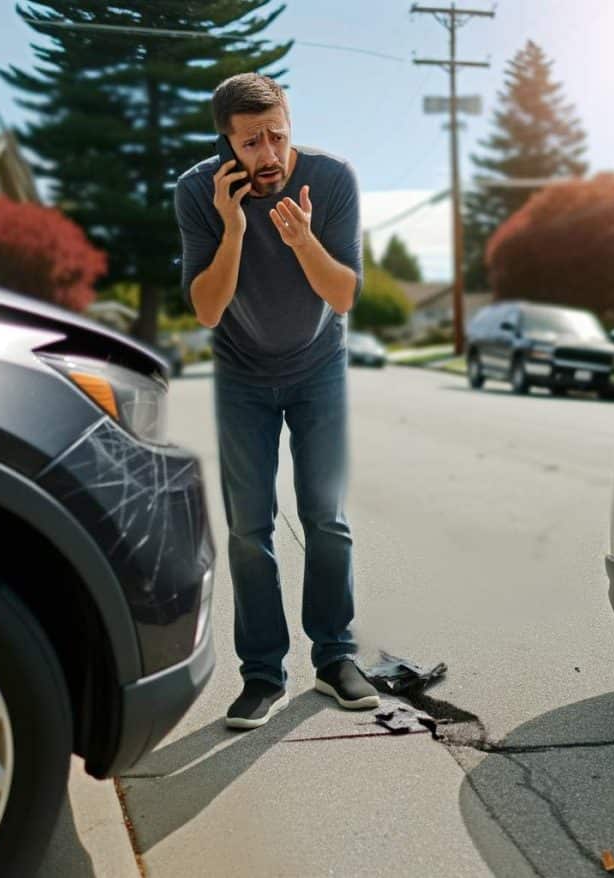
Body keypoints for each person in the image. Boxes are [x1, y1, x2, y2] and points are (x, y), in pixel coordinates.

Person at [175, 73, 379, 729]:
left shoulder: (333, 179)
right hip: (241, 374)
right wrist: (234, 229)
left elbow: (344, 295)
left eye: (277, 136)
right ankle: (262, 675)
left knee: (327, 517)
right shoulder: (196, 194)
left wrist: (301, 241)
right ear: (227, 145)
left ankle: (335, 659)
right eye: (251, 142)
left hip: (320, 367)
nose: (268, 154)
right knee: (249, 528)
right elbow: (207, 310)